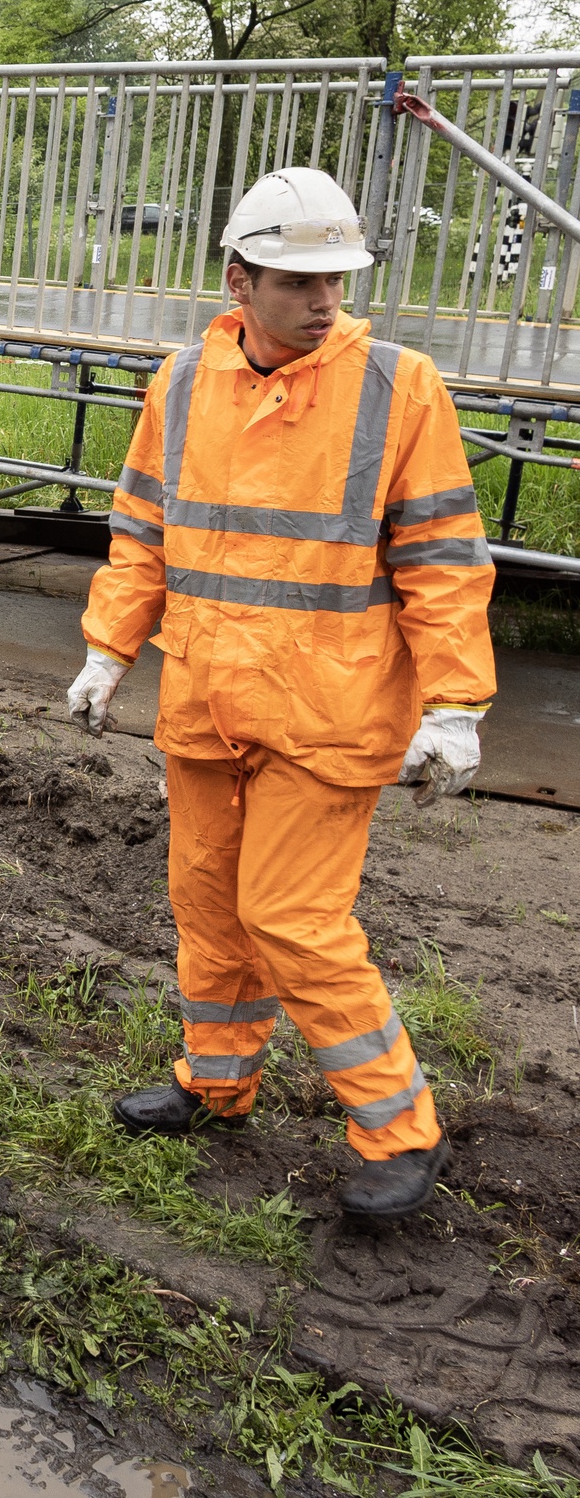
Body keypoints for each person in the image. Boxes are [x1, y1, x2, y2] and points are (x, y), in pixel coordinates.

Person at [67, 166, 494, 1221]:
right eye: (298, 281)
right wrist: (107, 650)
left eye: (335, 281)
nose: (322, 301)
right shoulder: (181, 381)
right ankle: (215, 1084)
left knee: (291, 916)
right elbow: (141, 533)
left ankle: (400, 1129)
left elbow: (442, 558)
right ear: (237, 280)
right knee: (209, 905)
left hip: (329, 710)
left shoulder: (399, 385)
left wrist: (455, 706)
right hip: (209, 700)